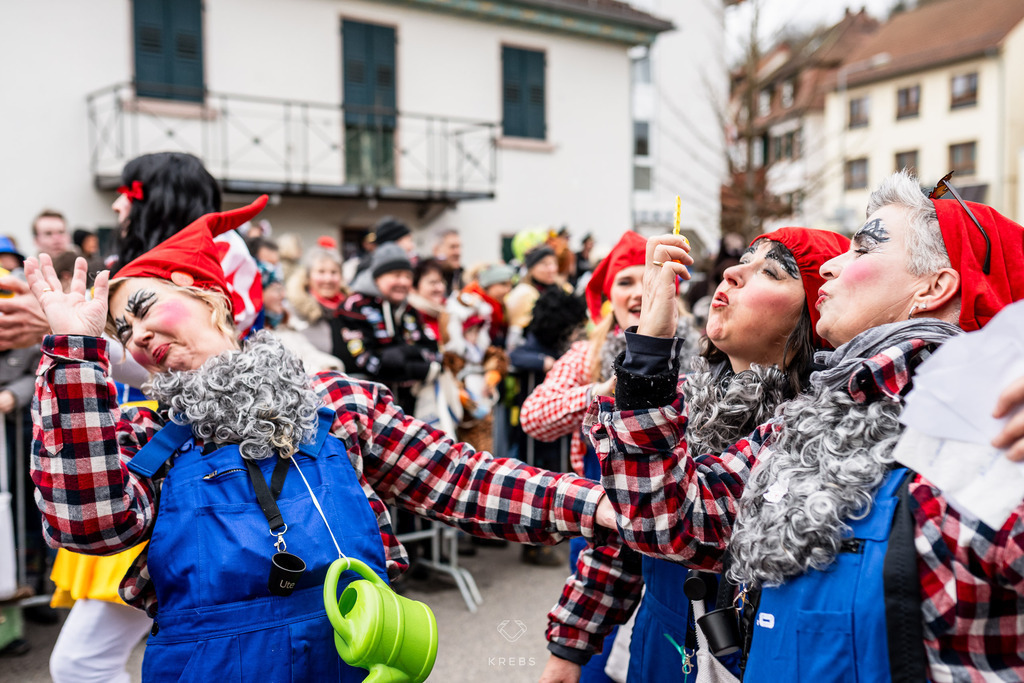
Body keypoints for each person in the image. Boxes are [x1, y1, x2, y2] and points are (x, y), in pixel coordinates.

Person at [26, 196, 614, 682]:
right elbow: (88, 524)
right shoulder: (147, 434)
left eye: (147, 307)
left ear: (209, 295)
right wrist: (75, 354)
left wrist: (597, 505)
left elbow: (460, 480)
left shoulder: (338, 403)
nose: (138, 336)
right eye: (123, 331)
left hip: (356, 662)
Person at [593, 170, 1024, 680]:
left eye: (863, 249)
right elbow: (668, 520)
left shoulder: (992, 440)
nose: (836, 265)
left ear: (935, 288)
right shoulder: (811, 423)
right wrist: (648, 353)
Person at [540, 227, 850, 683]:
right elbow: (624, 531)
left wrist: (649, 352)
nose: (732, 273)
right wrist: (570, 645)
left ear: (815, 315)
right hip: (661, 649)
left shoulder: (809, 431)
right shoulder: (683, 397)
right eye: (742, 259)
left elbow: (668, 519)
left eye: (771, 271)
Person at [335, 243, 439, 409]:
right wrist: (418, 369)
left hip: (411, 405)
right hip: (366, 406)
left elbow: (434, 351)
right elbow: (365, 361)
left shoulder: (409, 309)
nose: (403, 282)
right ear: (377, 277)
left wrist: (406, 352)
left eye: (407, 276)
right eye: (396, 275)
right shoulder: (354, 307)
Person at [285, 245, 346, 355]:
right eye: (321, 272)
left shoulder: (351, 309)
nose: (328, 279)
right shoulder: (294, 311)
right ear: (308, 278)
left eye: (334, 272)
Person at [506, 245, 562, 350]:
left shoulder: (562, 288)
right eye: (545, 264)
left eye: (554, 263)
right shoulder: (524, 293)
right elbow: (516, 336)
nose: (552, 269)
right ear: (531, 268)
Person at [407, 258, 450, 341]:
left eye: (442, 282)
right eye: (433, 283)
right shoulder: (410, 316)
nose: (440, 288)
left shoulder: (451, 311)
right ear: (414, 287)